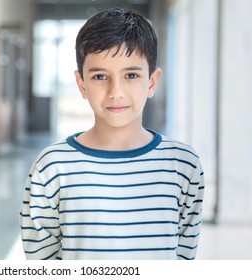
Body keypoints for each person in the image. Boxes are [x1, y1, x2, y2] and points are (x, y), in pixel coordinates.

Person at [20, 7, 205, 260]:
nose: (115, 92)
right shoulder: (53, 168)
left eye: (131, 75)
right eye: (99, 76)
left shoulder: (183, 164)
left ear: (152, 82)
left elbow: (183, 258)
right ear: (81, 84)